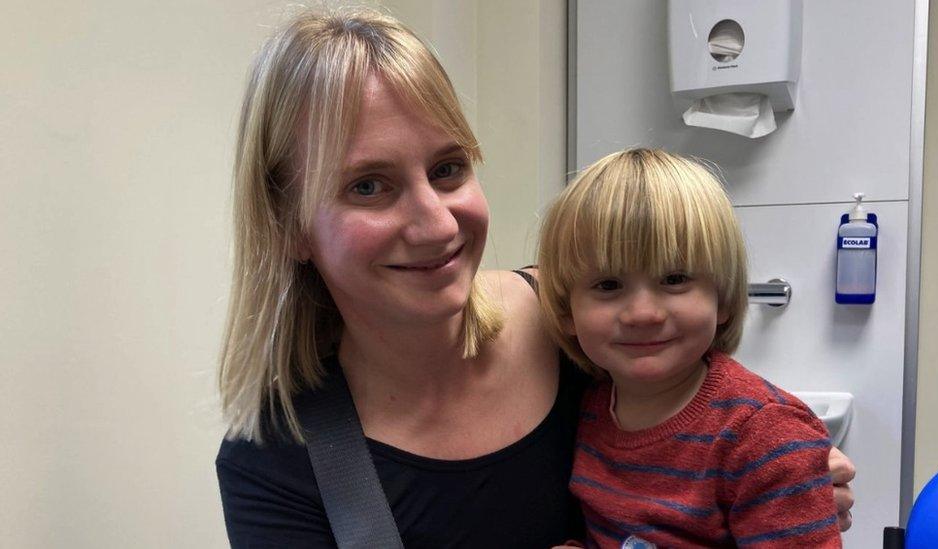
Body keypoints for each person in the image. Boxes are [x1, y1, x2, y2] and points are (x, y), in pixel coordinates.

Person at [214, 9, 854, 548]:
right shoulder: (276, 463)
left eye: (448, 168)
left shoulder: (583, 319)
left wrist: (789, 479)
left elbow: (723, 430)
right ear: (289, 226)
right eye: (369, 186)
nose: (438, 225)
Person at [537, 148, 843, 548]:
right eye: (608, 285)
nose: (642, 314)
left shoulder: (765, 437)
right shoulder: (592, 404)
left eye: (675, 278)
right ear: (566, 313)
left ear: (725, 300)